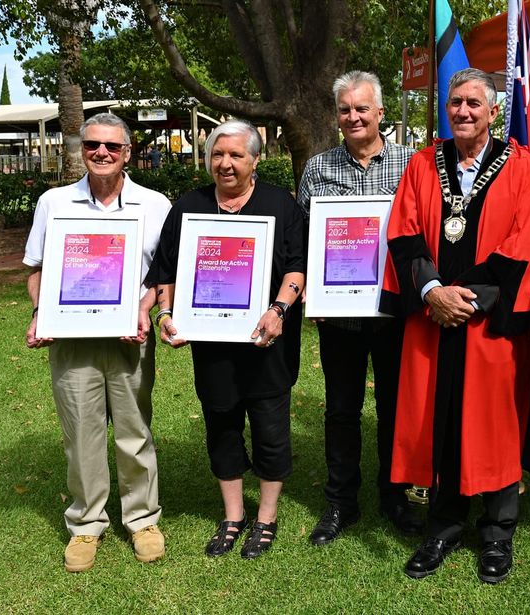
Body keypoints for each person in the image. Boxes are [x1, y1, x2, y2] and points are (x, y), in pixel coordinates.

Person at [379, 68, 530, 584]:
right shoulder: (424, 162)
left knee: (493, 422)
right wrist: (432, 292)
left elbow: (524, 242)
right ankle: (444, 525)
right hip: (434, 321)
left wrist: (467, 298)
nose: (464, 111)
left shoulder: (521, 166)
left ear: (494, 111)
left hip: (487, 324)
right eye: (455, 102)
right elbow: (404, 232)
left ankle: (498, 532)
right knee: (439, 419)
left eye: (475, 103)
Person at [149, 120, 304, 560]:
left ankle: (267, 517)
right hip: (212, 344)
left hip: (266, 342)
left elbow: (297, 265)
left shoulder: (280, 205)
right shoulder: (189, 207)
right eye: (218, 154)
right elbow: (166, 269)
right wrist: (165, 313)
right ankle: (234, 515)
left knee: (271, 429)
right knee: (222, 425)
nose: (225, 163)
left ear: (255, 160)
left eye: (236, 155)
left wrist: (279, 310)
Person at [23, 113, 171, 572]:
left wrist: (144, 310)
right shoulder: (54, 202)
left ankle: (142, 519)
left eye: (111, 146)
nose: (101, 153)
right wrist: (40, 312)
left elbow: (162, 276)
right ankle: (86, 525)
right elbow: (37, 271)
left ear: (127, 152)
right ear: (81, 150)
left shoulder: (154, 204)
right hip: (72, 340)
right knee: (81, 432)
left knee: (133, 429)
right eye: (92, 145)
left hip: (131, 334)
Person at [297, 70, 421, 545]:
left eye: (361, 108)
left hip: (394, 313)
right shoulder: (318, 168)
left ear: (380, 113)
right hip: (341, 314)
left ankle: (394, 495)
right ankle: (340, 502)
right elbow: (307, 237)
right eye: (345, 110)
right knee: (342, 409)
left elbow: (421, 234)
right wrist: (313, 286)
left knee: (394, 407)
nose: (353, 117)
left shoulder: (413, 165)